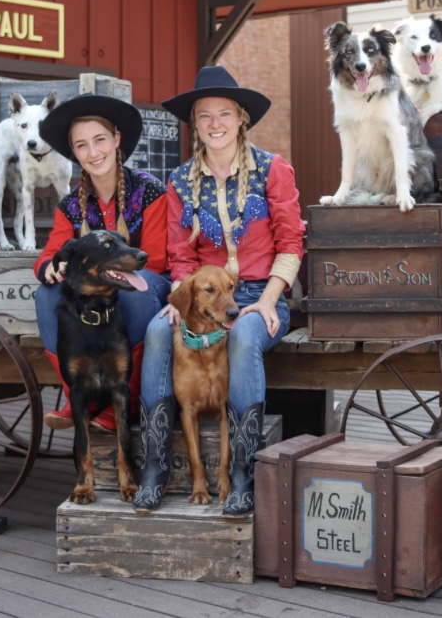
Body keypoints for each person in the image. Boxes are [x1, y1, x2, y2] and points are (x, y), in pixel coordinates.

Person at [132, 66, 305, 516]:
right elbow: (180, 256)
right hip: (203, 298)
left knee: (246, 335)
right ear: (195, 122)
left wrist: (267, 301)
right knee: (155, 331)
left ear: (241, 118)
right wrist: (179, 300)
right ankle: (155, 465)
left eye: (224, 113)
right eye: (204, 115)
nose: (215, 124)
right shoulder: (180, 181)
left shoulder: (272, 170)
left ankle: (243, 474)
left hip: (259, 295)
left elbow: (290, 242)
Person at [34, 94, 171, 431]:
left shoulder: (150, 191)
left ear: (116, 140)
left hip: (148, 285)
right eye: (82, 146)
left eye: (100, 140)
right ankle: (79, 397)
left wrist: (112, 278)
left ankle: (128, 401)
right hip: (96, 293)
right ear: (74, 153)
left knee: (133, 292)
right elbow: (51, 251)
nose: (93, 153)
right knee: (46, 295)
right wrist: (51, 267)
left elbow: (155, 258)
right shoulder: (70, 205)